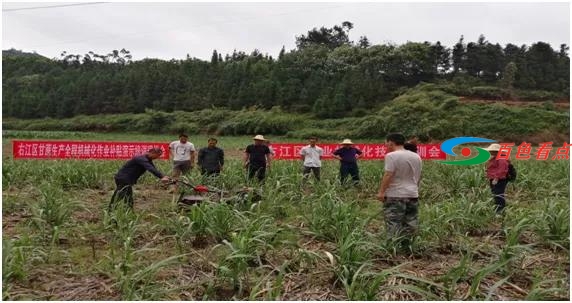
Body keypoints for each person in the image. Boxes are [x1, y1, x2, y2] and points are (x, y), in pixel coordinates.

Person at [377, 133, 422, 252]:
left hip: (395, 194)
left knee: (393, 222)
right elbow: (418, 176)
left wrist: (381, 192)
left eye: (386, 142)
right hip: (412, 194)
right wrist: (414, 189)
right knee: (410, 222)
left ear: (391, 142)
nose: (386, 145)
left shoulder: (391, 156)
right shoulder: (416, 156)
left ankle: (392, 250)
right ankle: (409, 248)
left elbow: (388, 174)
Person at [484, 143, 509, 215]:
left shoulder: (501, 159)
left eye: (492, 151)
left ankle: (500, 211)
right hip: (494, 179)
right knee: (495, 194)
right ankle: (497, 208)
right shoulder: (495, 158)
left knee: (499, 194)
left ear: (497, 151)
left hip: (499, 180)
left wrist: (496, 178)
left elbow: (502, 170)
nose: (490, 152)